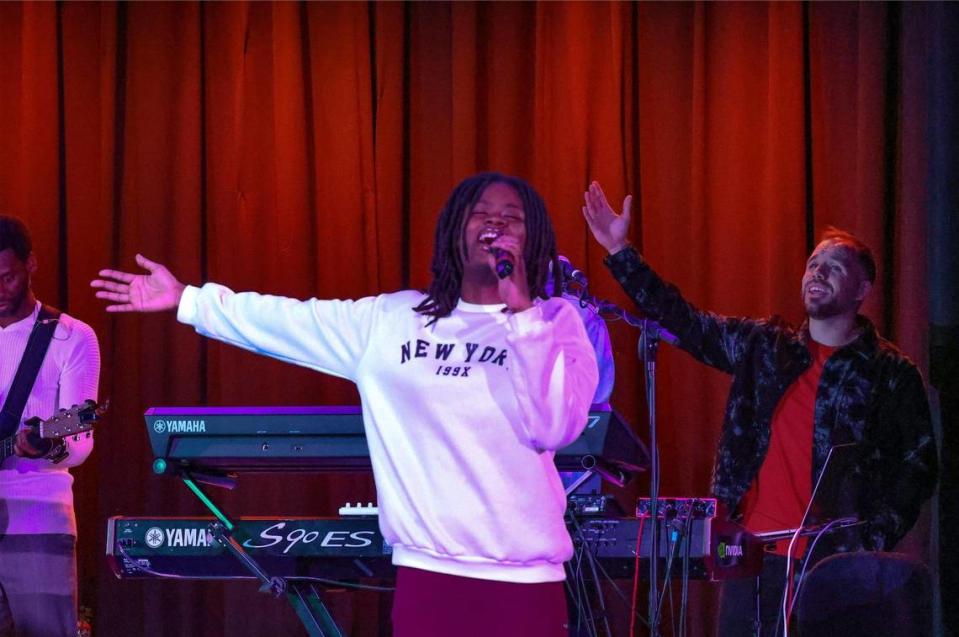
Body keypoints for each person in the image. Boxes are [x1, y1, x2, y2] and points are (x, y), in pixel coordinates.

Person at [92, 172, 599, 637]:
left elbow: (554, 427)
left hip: (527, 581)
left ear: (533, 239)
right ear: (453, 231)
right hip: (431, 575)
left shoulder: (555, 324)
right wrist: (188, 299)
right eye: (481, 212)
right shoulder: (392, 320)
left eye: (512, 216)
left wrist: (522, 314)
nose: (495, 223)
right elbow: (287, 321)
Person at [581, 182, 938, 636]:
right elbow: (686, 321)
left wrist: (868, 539)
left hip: (834, 567)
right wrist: (619, 250)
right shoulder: (766, 347)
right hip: (751, 556)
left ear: (862, 288)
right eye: (813, 263)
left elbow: (918, 467)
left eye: (834, 266)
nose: (818, 272)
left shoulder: (889, 372)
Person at [0, 215, 100, 636]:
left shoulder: (72, 337)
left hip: (35, 516)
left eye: (7, 277)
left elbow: (80, 438)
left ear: (31, 265)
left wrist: (50, 446)